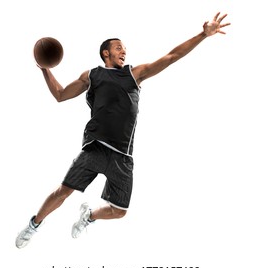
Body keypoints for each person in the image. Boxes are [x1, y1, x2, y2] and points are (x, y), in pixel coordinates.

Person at [16, 12, 230, 248]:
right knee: (63, 192)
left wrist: (203, 34)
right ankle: (33, 225)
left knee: (119, 211)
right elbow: (60, 95)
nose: (124, 51)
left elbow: (171, 57)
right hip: (95, 148)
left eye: (125, 48)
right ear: (106, 53)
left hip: (123, 155)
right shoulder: (92, 75)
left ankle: (89, 216)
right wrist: (45, 69)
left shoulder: (134, 74)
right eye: (119, 47)